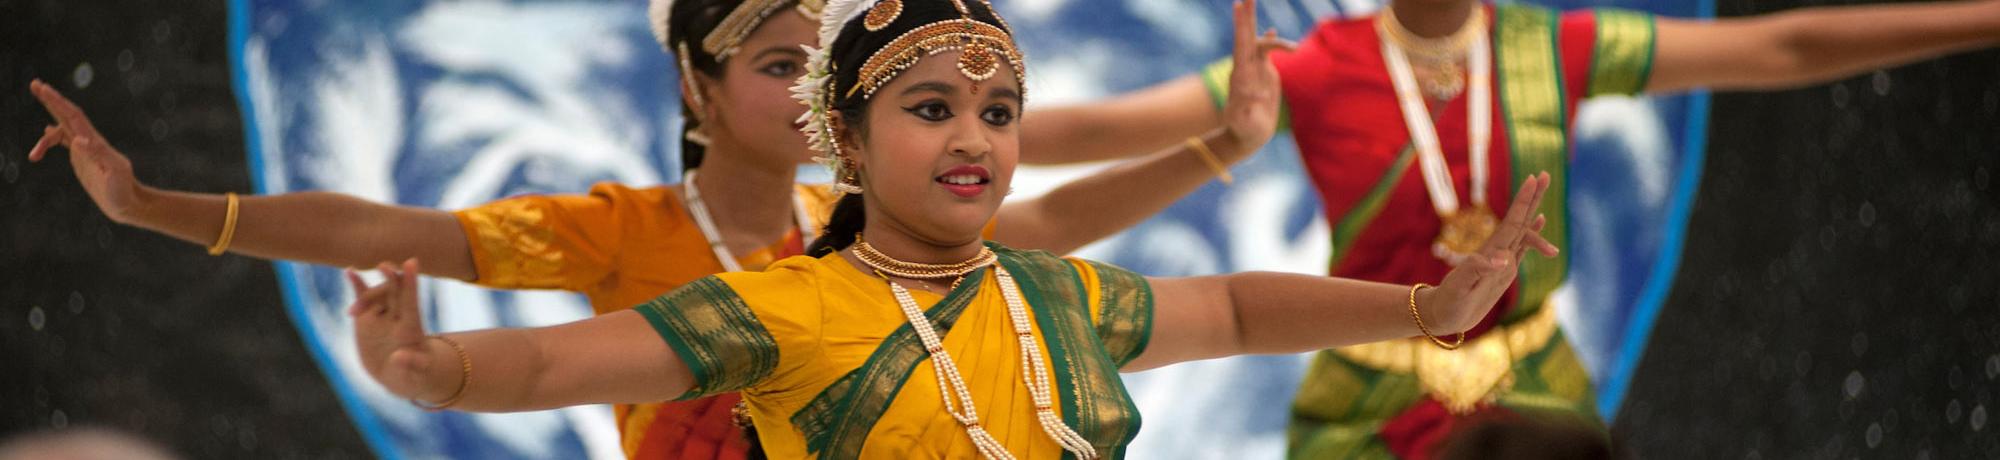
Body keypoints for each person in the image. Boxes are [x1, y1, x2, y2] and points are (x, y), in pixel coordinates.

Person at [20, 0, 1288, 457]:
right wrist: (150, 207)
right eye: (775, 64)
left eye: (819, 71)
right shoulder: (610, 232)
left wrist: (1218, 146)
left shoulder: (852, 216)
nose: (804, 94)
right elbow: (376, 222)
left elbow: (1051, 216)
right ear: (694, 89)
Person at [339, 0, 1560, 457]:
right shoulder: (787, 307)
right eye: (932, 109)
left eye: (998, 110)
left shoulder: (1057, 301)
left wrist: (1423, 310)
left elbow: (1236, 308)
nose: (974, 137)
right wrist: (432, 365)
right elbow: (554, 360)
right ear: (850, 147)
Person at [1018, 0, 2000, 456]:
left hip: (1530, 396)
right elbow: (1098, 130)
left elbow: (1775, 44)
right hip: (1366, 407)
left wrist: (1980, 19)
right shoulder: (1312, 67)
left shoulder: (1554, 47)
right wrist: (925, 121)